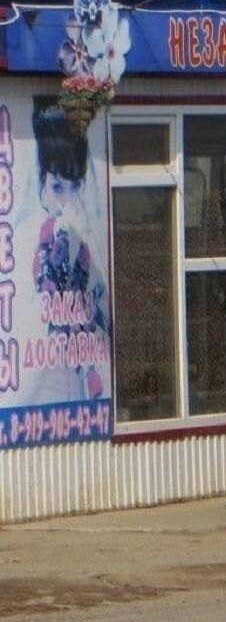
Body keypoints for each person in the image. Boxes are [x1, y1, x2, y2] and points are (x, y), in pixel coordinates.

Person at [32, 104, 109, 401]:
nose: (66, 197)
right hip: (58, 321)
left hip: (79, 313)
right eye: (56, 186)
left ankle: (89, 373)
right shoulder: (47, 231)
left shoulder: (84, 233)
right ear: (42, 184)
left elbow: (88, 272)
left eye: (74, 185)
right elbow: (41, 274)